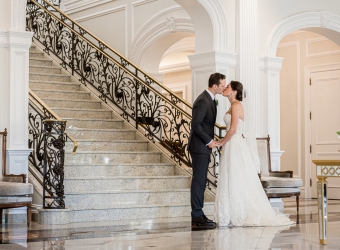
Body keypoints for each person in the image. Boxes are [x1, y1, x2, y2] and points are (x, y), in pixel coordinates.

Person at [214, 80, 295, 227]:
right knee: (231, 177)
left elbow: (232, 130)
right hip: (232, 144)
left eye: (227, 87)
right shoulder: (231, 106)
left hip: (235, 144)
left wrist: (220, 142)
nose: (224, 88)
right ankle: (231, 212)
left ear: (234, 92)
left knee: (236, 176)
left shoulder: (237, 105)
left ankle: (240, 212)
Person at [188, 72, 226, 230]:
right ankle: (197, 215)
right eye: (222, 85)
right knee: (199, 180)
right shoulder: (203, 100)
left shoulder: (210, 99)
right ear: (215, 85)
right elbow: (195, 125)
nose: (224, 88)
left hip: (202, 147)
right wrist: (209, 141)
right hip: (199, 147)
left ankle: (199, 213)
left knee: (201, 180)